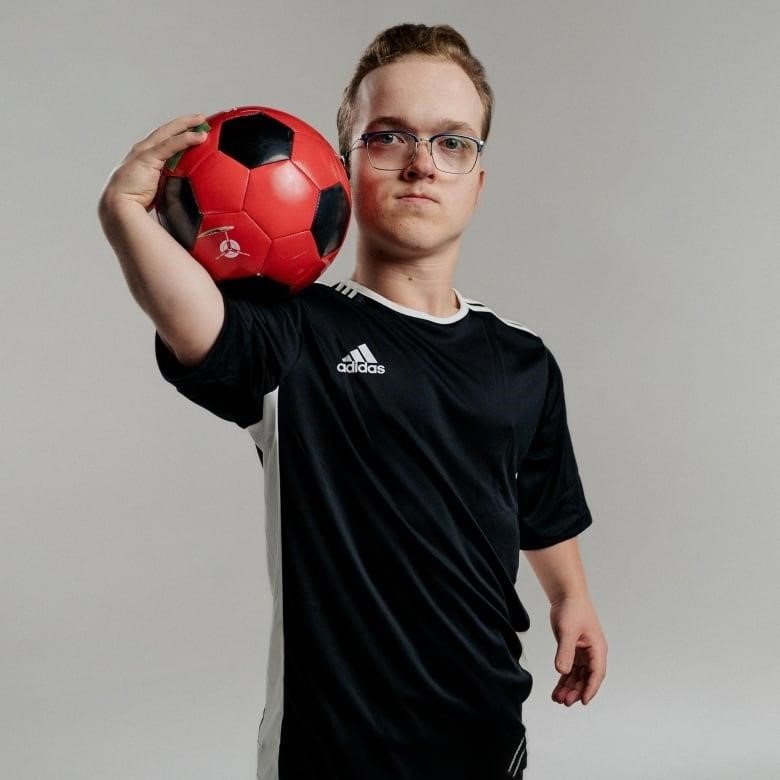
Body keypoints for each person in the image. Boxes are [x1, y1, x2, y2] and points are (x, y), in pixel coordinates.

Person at [98, 22, 606, 780]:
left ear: (478, 178)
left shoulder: (522, 359)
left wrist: (573, 599)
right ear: (339, 169)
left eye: (452, 142)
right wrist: (125, 217)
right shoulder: (290, 333)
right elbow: (192, 321)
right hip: (334, 748)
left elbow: (542, 503)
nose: (421, 165)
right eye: (389, 137)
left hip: (486, 730)